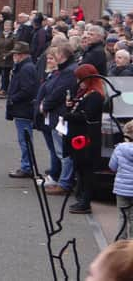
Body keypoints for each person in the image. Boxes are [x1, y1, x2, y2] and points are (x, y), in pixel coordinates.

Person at [64, 64, 104, 214]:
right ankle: (81, 197)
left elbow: (86, 115)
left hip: (86, 138)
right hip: (78, 137)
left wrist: (69, 115)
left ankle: (85, 201)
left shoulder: (95, 96)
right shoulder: (85, 93)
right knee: (80, 169)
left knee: (86, 171)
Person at [42, 43, 78, 196]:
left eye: (56, 54)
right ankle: (62, 180)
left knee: (62, 152)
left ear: (62, 55)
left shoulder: (68, 72)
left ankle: (64, 183)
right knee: (59, 151)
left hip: (60, 115)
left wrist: (46, 105)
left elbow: (59, 92)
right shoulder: (65, 70)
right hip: (56, 114)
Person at [5, 42, 38, 178]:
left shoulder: (26, 69)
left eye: (16, 54)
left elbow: (28, 90)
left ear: (22, 55)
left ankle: (27, 167)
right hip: (22, 109)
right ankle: (27, 165)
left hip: (24, 109)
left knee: (24, 140)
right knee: (24, 139)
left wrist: (13, 98)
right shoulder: (25, 67)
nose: (14, 56)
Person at [34, 48, 62, 187]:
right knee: (52, 148)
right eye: (48, 59)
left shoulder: (57, 76)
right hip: (46, 116)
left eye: (52, 59)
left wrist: (43, 105)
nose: (49, 61)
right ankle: (54, 174)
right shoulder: (50, 75)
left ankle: (55, 177)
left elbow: (52, 95)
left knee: (55, 149)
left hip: (51, 116)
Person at [109, 120, 133, 239]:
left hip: (122, 189)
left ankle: (120, 243)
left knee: (122, 217)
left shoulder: (119, 149)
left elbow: (112, 166)